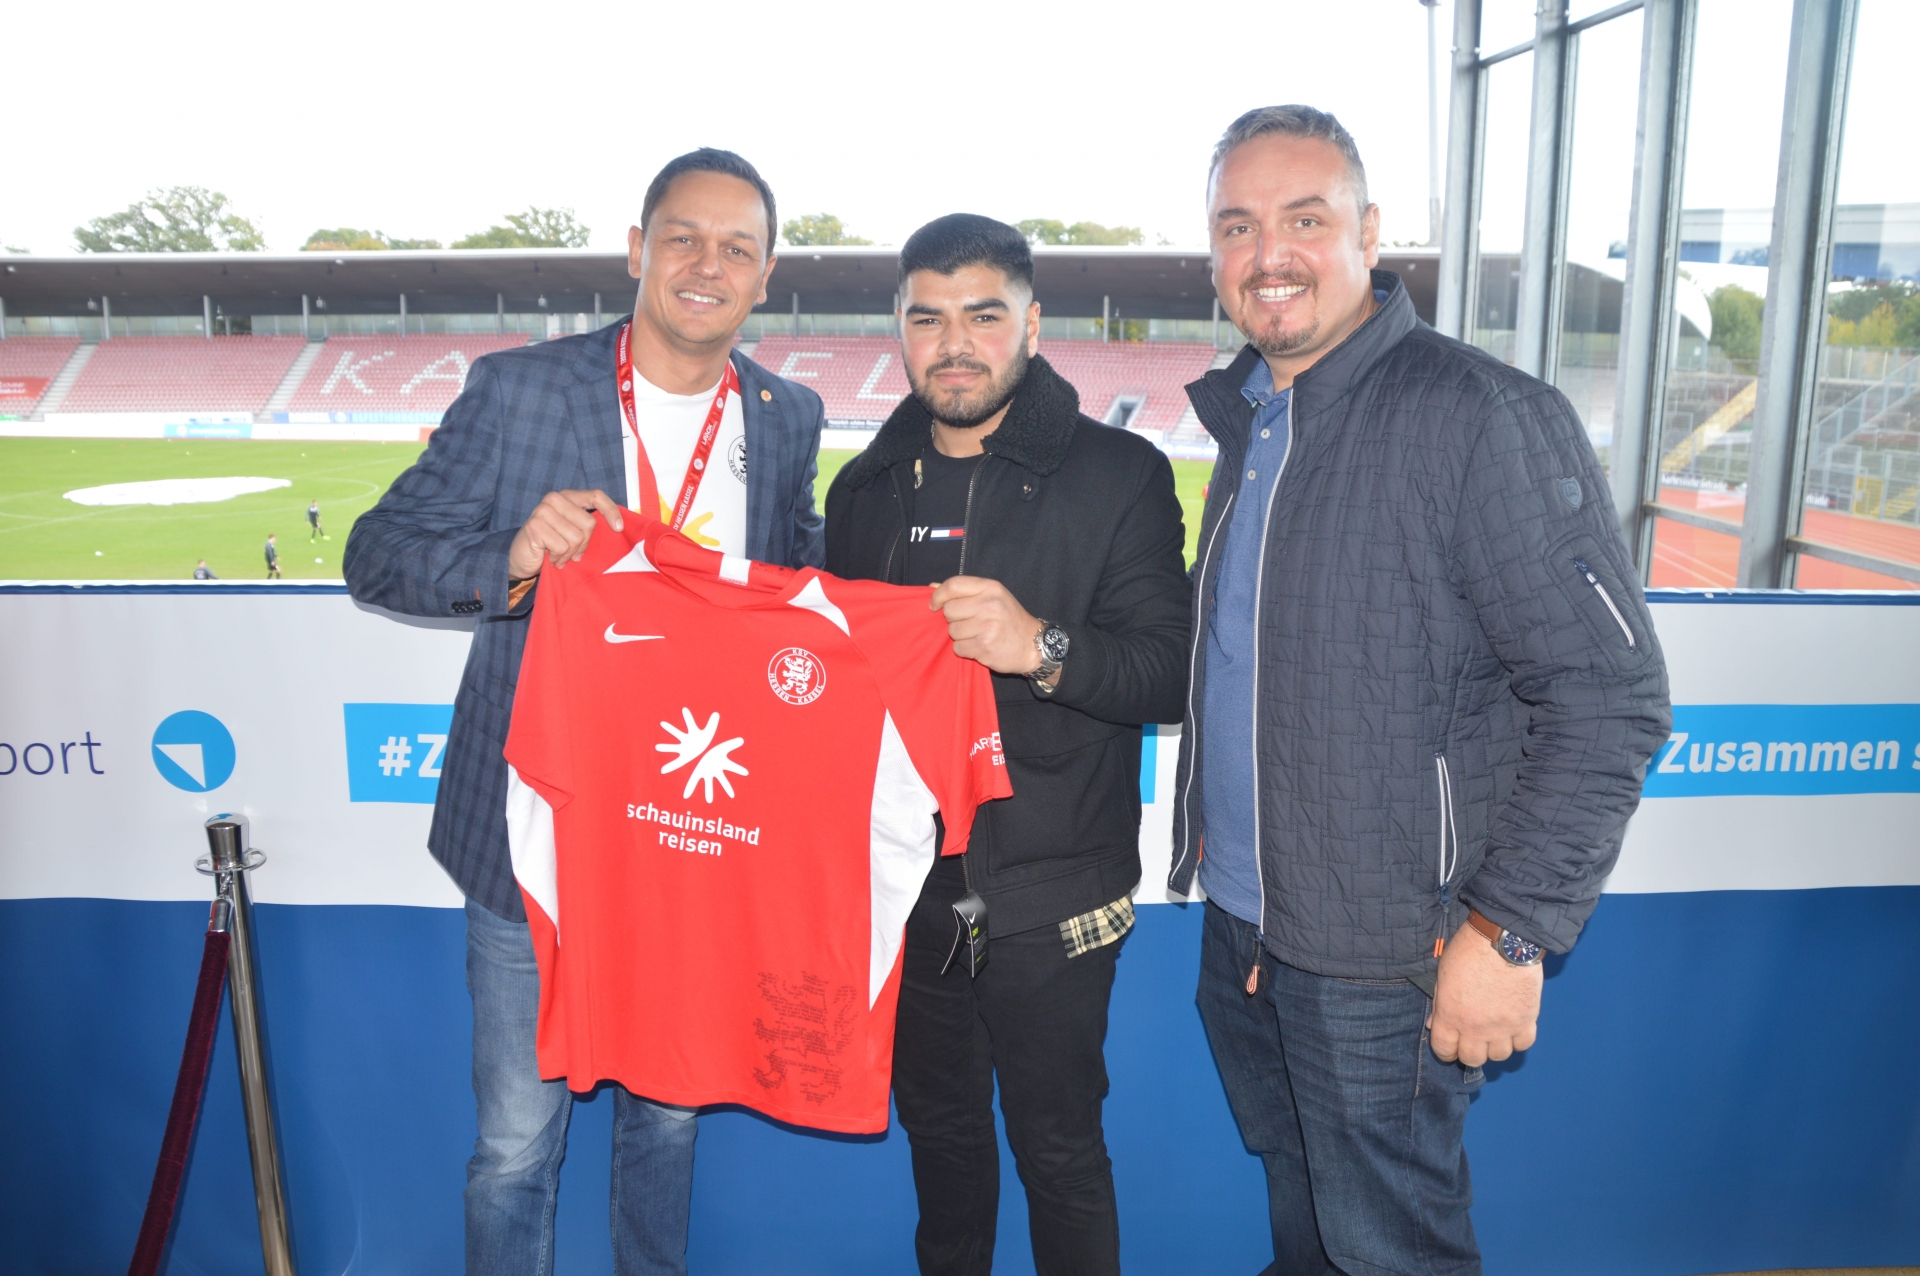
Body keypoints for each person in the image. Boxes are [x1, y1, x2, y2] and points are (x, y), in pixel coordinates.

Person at [1168, 106, 1671, 1274]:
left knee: (1391, 1252)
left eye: (1305, 219)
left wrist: (1509, 931)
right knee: (1307, 1232)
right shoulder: (1252, 420)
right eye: (1238, 226)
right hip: (1247, 931)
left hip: (1388, 953)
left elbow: (1612, 697)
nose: (1269, 254)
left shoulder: (1480, 416)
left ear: (1369, 233)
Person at [344, 147, 825, 1276]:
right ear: (637, 250)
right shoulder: (521, 389)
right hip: (535, 833)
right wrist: (510, 560)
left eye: (737, 248)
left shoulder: (787, 414)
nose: (707, 265)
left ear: (765, 277)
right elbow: (377, 554)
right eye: (683, 238)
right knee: (517, 1145)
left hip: (690, 837)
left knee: (669, 1121)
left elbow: (796, 586)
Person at [825, 214, 1191, 1276]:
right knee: (940, 1141)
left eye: (983, 316)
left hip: (1050, 890)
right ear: (899, 331)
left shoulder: (1120, 472)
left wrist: (1041, 648)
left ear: (1031, 326)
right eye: (927, 318)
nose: (954, 344)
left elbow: (1169, 673)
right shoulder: (862, 490)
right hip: (908, 888)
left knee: (1060, 1152)